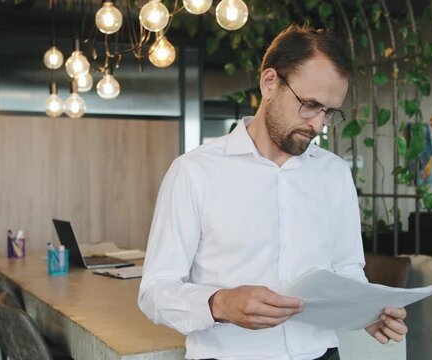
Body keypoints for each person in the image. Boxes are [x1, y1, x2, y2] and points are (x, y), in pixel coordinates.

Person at [138, 25, 408, 360]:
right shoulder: (194, 172)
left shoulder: (334, 174)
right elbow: (154, 292)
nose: (318, 125)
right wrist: (219, 302)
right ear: (270, 83)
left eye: (329, 112)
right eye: (309, 104)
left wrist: (366, 310)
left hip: (321, 354)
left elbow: (346, 268)